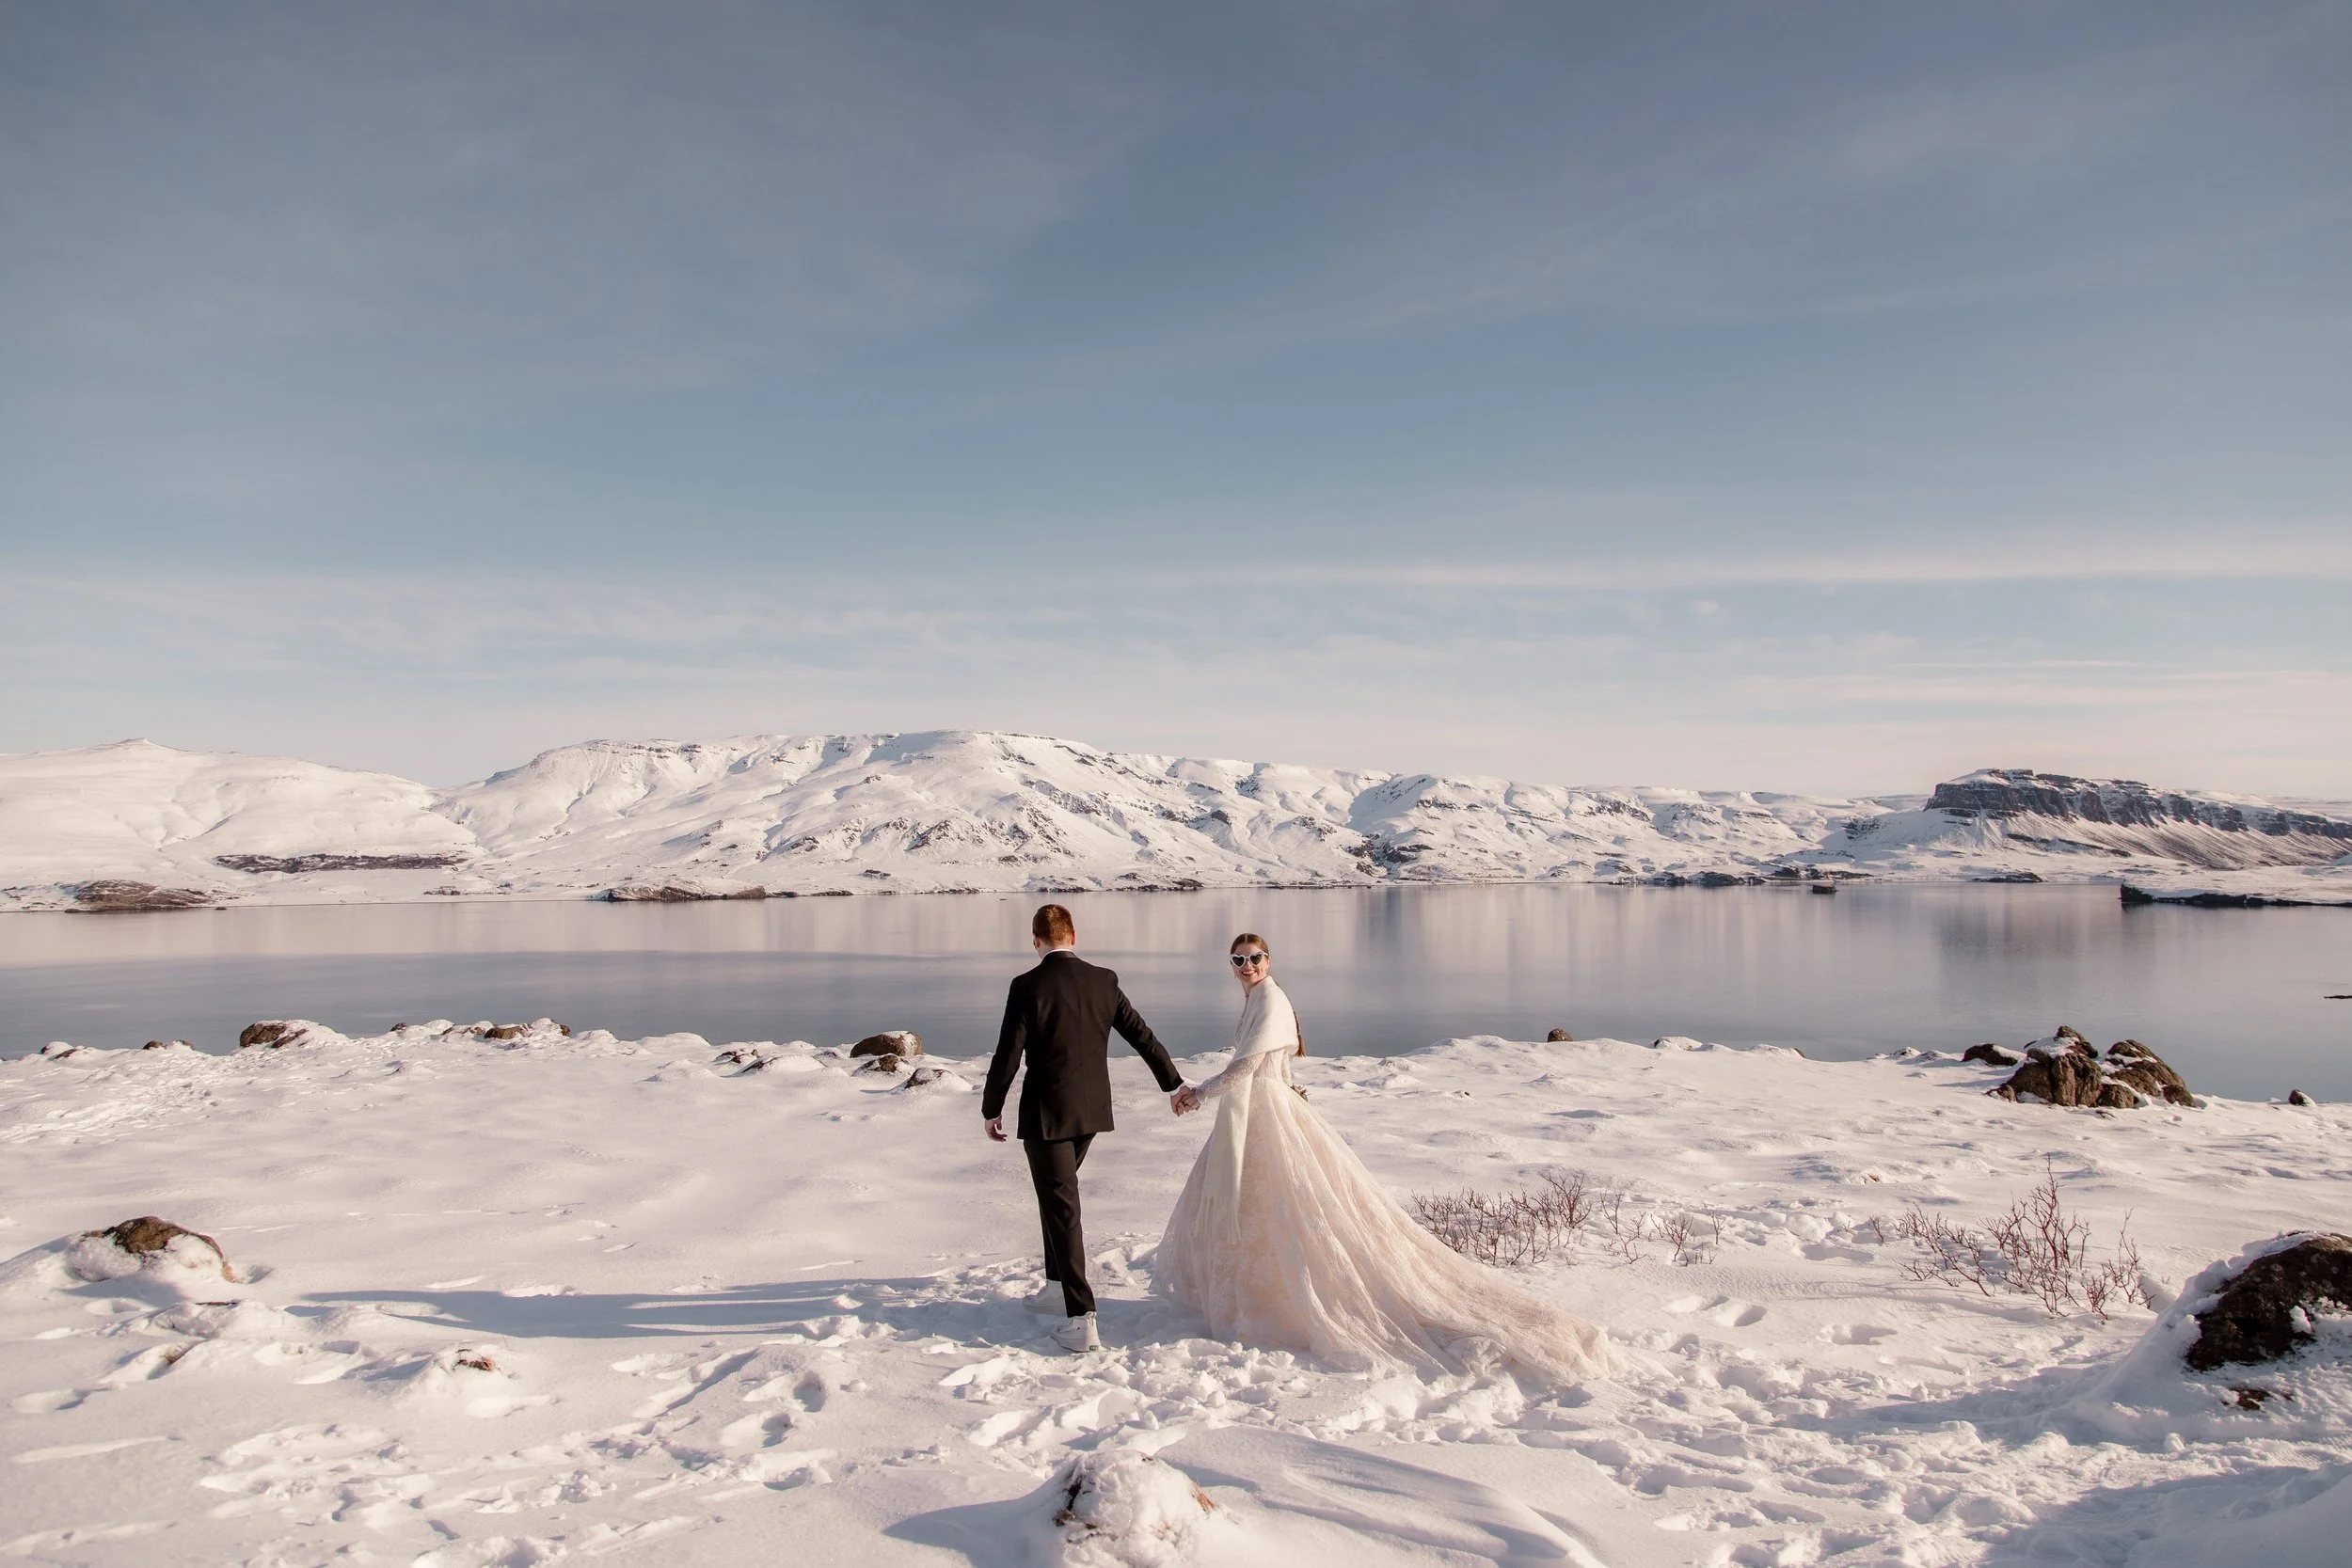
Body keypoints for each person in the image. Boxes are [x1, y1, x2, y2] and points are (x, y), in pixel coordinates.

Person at [1158, 932, 1612, 1385]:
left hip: (1264, 1110)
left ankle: (1277, 1298)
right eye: (1239, 960)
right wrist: (1288, 1089)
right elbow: (1276, 1061)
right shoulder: (1257, 999)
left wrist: (1197, 1095)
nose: (1248, 966)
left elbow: (1248, 1067)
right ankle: (1261, 1294)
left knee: (1286, 1203)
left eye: (1255, 958)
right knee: (1260, 1204)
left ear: (1269, 960)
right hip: (1258, 1111)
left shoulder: (1271, 1000)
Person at [982, 903, 1189, 1354]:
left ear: (1036, 941)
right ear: (1073, 937)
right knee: (1055, 1196)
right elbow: (1142, 1036)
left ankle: (1081, 1318)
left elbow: (1008, 1054)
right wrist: (1172, 1083)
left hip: (1047, 1115)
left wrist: (991, 1108)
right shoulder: (1103, 980)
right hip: (1091, 1112)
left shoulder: (1027, 985)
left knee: (1062, 1205)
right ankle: (1056, 1287)